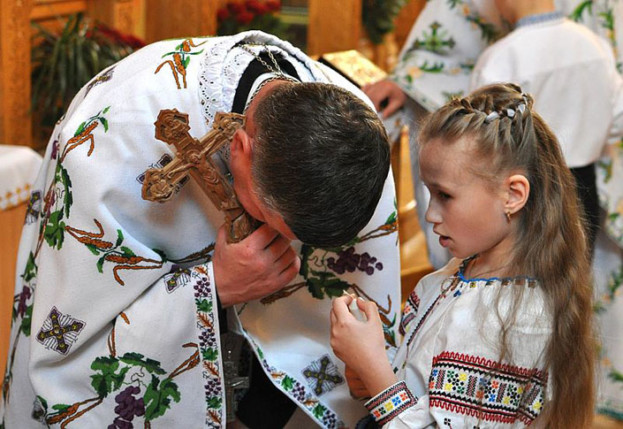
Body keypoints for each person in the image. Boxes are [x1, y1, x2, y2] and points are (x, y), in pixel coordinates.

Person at [1, 31, 401, 428]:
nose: (276, 242)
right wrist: (215, 286)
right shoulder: (111, 140)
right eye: (266, 216)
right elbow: (73, 342)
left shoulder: (354, 133)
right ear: (240, 149)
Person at [331, 83, 595, 427]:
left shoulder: (512, 321)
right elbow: (420, 383)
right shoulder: (453, 278)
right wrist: (369, 370)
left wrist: (374, 371)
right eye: (429, 193)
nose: (431, 214)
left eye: (445, 195)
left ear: (513, 195)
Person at [470, 0, 623, 254]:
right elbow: (618, 117)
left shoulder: (500, 58)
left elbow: (481, 139)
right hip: (584, 188)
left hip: (528, 194)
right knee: (576, 270)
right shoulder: (593, 44)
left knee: (525, 272)